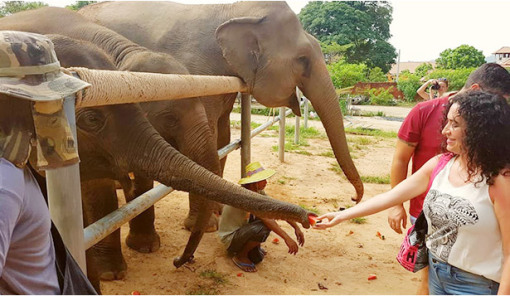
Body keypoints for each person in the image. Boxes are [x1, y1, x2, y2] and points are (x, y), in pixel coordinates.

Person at [315, 90, 510, 295]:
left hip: (475, 285)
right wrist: (340, 216)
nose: (445, 131)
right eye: (447, 122)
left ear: (480, 130)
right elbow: (391, 196)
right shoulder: (440, 164)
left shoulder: (499, 180)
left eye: (455, 125)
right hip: (437, 274)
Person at [0, 31, 92, 294]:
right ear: (15, 102)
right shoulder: (4, 183)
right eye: (45, 97)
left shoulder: (13, 158)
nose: (54, 105)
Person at [218, 162, 304, 272]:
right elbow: (267, 219)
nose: (266, 182)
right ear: (254, 183)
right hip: (231, 239)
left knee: (257, 259)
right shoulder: (246, 196)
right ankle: (240, 256)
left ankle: (250, 249)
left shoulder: (258, 192)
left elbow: (277, 208)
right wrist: (287, 238)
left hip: (242, 230)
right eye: (262, 180)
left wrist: (296, 227)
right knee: (264, 227)